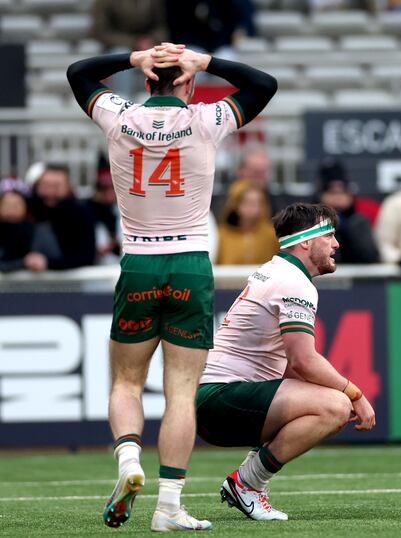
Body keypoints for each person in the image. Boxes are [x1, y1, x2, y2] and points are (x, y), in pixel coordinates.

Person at [67, 43, 278, 531]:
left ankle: (128, 463)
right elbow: (263, 84)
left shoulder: (119, 117)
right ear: (189, 84)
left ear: (146, 82)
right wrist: (205, 62)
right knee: (181, 394)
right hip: (189, 263)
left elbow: (79, 72)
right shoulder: (207, 119)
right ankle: (168, 506)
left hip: (139, 260)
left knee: (125, 382)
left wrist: (133, 56)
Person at [196, 203, 376, 521]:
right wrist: (356, 394)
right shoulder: (294, 282)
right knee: (336, 405)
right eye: (330, 235)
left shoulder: (279, 271)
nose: (336, 243)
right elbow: (303, 361)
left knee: (329, 400)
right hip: (219, 397)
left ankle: (247, 482)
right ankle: (248, 484)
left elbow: (292, 368)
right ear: (306, 241)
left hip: (216, 395)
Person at [28, 164, 97, 270]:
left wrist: (48, 263)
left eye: (57, 186)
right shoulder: (27, 209)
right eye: (45, 185)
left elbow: (86, 256)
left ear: (68, 187)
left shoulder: (81, 213)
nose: (51, 192)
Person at [316, 158, 380, 264]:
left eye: (342, 192)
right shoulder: (309, 222)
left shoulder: (360, 220)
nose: (337, 197)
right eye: (332, 193)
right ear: (321, 195)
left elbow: (370, 256)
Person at [216, 181, 279, 265]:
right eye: (248, 202)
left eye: (259, 203)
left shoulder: (272, 235)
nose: (255, 208)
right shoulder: (221, 235)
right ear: (235, 205)